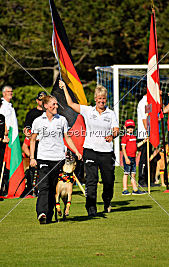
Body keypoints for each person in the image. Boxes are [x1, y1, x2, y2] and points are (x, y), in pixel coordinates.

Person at [60, 80, 119, 216]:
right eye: (99, 98)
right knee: (91, 180)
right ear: (95, 99)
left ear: (106, 99)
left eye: (103, 98)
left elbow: (116, 129)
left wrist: (112, 135)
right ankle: (91, 208)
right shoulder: (88, 110)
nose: (101, 101)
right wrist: (64, 89)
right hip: (90, 150)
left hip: (106, 152)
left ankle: (107, 200)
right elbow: (71, 104)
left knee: (108, 181)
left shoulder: (110, 113)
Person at [29, 95, 82, 224]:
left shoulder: (62, 120)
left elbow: (68, 137)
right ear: (45, 105)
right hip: (43, 158)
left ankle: (49, 215)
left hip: (58, 159)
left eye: (57, 104)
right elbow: (32, 140)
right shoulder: (37, 121)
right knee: (44, 186)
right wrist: (32, 157)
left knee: (53, 188)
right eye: (53, 104)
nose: (56, 106)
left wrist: (76, 151)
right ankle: (41, 213)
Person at [121, 119, 145, 195]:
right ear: (125, 128)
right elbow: (123, 148)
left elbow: (136, 146)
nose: (130, 129)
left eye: (132, 127)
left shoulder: (134, 137)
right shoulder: (125, 137)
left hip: (133, 157)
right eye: (128, 127)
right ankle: (125, 190)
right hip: (128, 157)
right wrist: (126, 158)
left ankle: (135, 189)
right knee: (126, 173)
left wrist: (144, 141)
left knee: (133, 174)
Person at [136, 94, 151, 187]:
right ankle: (141, 180)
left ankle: (148, 179)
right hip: (144, 134)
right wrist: (148, 132)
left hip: (148, 133)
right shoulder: (143, 102)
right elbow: (144, 119)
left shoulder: (148, 102)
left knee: (149, 157)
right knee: (144, 158)